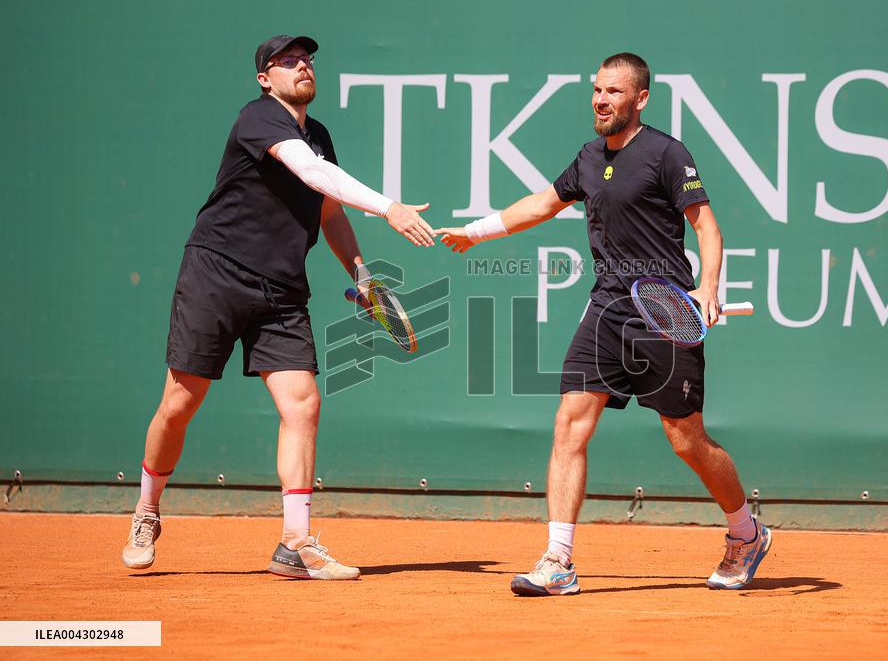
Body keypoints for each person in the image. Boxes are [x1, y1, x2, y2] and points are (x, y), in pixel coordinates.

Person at [436, 52, 770, 595]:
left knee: (686, 440)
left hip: (664, 312)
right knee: (570, 422)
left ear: (640, 98)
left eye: (613, 91)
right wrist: (475, 232)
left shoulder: (666, 153)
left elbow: (706, 226)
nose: (600, 99)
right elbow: (542, 204)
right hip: (607, 309)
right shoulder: (589, 157)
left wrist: (707, 287)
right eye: (596, 89)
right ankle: (558, 560)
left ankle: (746, 533)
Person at [121, 35, 437, 580]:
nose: (302, 66)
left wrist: (362, 278)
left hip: (282, 288)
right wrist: (389, 208)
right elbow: (311, 173)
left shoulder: (319, 135)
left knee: (303, 403)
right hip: (217, 272)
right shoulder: (258, 117)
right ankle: (147, 510)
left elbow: (329, 209)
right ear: (265, 79)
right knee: (180, 402)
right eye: (288, 61)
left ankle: (295, 544)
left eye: (307, 59)